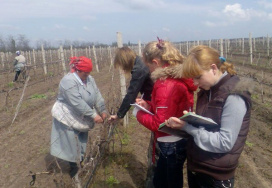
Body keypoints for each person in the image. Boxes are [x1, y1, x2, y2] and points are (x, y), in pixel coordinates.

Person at [165, 45, 252, 188]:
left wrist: (188, 128)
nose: (195, 83)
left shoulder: (234, 95)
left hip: (215, 177)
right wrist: (184, 124)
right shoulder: (207, 91)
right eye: (193, 78)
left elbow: (224, 142)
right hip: (198, 168)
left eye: (198, 77)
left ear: (213, 68)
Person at [135, 39, 197, 188]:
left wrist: (138, 114)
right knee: (163, 180)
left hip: (170, 142)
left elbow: (160, 123)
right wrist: (148, 105)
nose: (148, 70)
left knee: (169, 183)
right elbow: (168, 108)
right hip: (177, 138)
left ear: (155, 63)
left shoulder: (166, 84)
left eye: (148, 65)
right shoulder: (175, 78)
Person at [50, 56, 108, 182]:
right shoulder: (68, 81)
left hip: (82, 115)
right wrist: (94, 115)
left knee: (81, 141)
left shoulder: (89, 78)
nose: (87, 75)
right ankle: (74, 169)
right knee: (71, 142)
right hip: (68, 114)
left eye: (89, 73)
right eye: (85, 73)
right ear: (77, 70)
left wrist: (102, 110)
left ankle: (79, 161)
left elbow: (97, 94)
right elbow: (77, 102)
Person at [108, 46, 153, 121]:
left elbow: (131, 93)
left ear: (124, 62)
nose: (122, 68)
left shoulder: (139, 69)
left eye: (121, 65)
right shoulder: (140, 62)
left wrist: (119, 114)